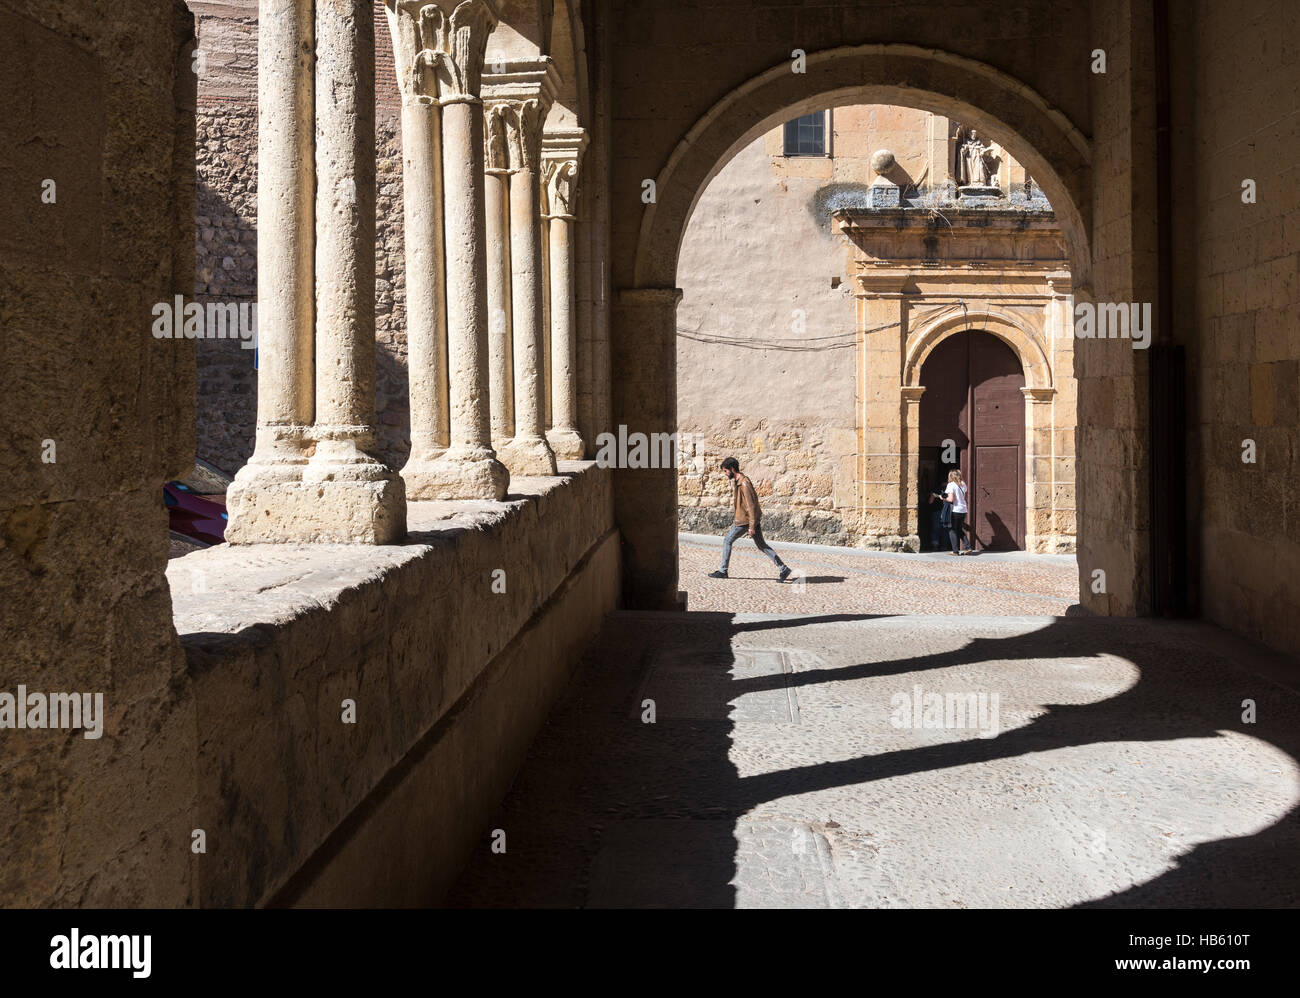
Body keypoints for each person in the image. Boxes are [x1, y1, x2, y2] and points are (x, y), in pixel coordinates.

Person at [707, 457, 792, 581]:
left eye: (726, 471)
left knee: (727, 541)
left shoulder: (744, 483)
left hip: (745, 521)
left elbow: (751, 505)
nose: (725, 474)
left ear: (732, 469)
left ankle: (723, 571)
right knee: (762, 545)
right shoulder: (738, 481)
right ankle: (783, 568)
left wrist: (751, 526)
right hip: (748, 520)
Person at [942, 469, 971, 555]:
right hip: (963, 510)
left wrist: (942, 497)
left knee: (952, 530)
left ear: (951, 476)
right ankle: (968, 547)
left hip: (954, 510)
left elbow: (950, 499)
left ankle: (955, 551)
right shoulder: (963, 484)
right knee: (959, 529)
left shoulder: (951, 485)